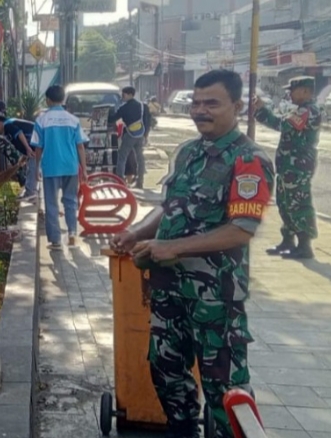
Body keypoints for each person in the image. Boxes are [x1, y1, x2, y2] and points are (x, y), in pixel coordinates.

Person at [110, 69, 275, 438]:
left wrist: (171, 247)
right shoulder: (188, 152)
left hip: (215, 298)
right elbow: (169, 206)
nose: (200, 110)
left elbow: (241, 230)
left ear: (237, 106)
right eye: (196, 103)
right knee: (166, 371)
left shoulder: (248, 159)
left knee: (225, 388)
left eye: (211, 103)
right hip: (168, 289)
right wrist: (136, 232)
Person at [253, 76, 322, 259]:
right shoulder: (299, 110)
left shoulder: (309, 111)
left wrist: (262, 110)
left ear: (305, 91)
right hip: (288, 165)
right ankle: (288, 240)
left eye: (293, 90)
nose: (290, 94)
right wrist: (261, 110)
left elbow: (282, 125)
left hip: (298, 166)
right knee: (284, 201)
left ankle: (304, 245)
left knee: (298, 203)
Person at [31, 85, 88, 250]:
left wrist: (37, 167)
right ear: (63, 99)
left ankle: (55, 240)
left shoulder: (41, 120)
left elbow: (38, 147)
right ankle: (72, 233)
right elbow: (80, 146)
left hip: (51, 167)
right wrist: (84, 169)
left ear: (48, 100)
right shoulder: (73, 120)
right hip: (70, 166)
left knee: (51, 202)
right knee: (71, 200)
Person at [109, 86, 152, 188]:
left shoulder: (124, 108)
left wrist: (107, 113)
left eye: (123, 95)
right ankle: (140, 182)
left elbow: (113, 119)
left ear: (130, 95)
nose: (122, 97)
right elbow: (147, 122)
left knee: (122, 156)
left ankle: (120, 181)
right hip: (140, 134)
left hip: (129, 135)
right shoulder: (142, 106)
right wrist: (146, 135)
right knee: (140, 158)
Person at [0, 116, 38, 200]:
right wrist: (24, 156)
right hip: (36, 144)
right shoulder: (11, 125)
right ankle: (32, 193)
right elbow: (21, 138)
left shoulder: (7, 124)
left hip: (36, 144)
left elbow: (20, 133)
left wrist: (28, 148)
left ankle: (30, 193)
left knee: (32, 168)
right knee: (32, 168)